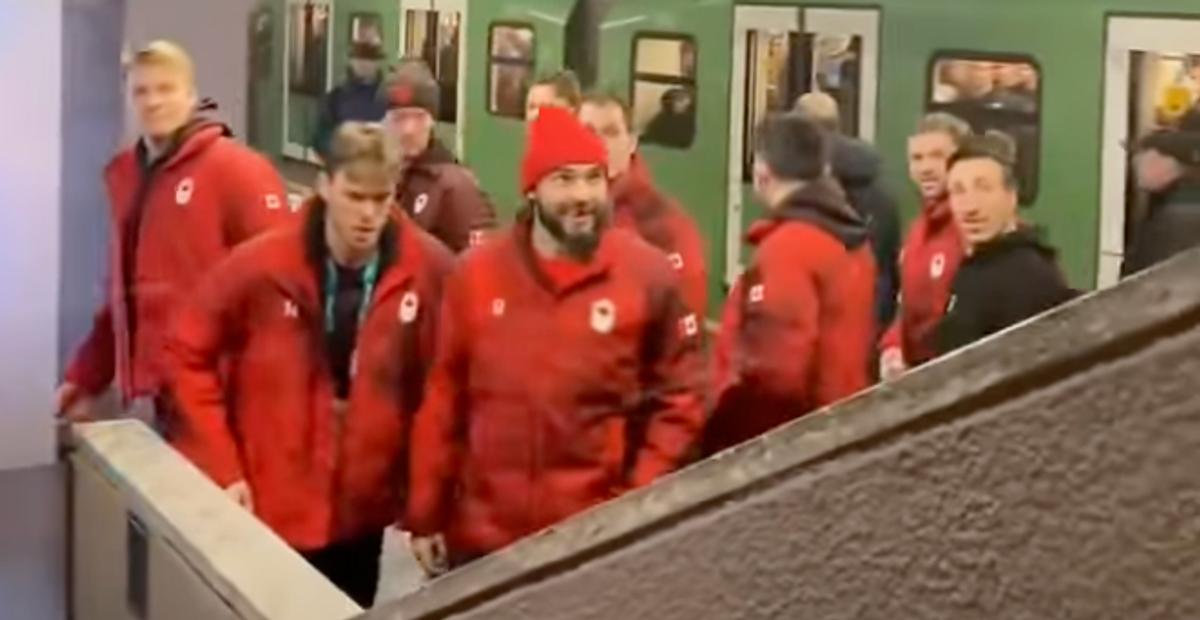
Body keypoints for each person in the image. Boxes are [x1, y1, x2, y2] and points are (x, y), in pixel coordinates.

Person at [405, 106, 706, 573]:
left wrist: (631, 504)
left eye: (593, 178)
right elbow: (445, 397)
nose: (582, 195)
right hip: (484, 543)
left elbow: (680, 401)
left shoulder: (645, 275)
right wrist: (426, 513)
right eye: (564, 180)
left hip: (590, 547)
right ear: (533, 189)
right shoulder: (478, 276)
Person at [167, 123, 454, 607]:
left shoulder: (428, 270)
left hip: (361, 513)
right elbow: (187, 351)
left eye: (381, 199)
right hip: (269, 503)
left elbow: (443, 393)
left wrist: (427, 508)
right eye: (355, 196)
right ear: (325, 184)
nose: (368, 215)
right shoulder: (262, 265)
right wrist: (222, 465)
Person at [57, 41, 290, 424]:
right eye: (141, 91)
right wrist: (86, 378)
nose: (153, 102)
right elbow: (123, 298)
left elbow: (280, 289)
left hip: (218, 400)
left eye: (166, 89)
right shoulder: (125, 176)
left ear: (191, 95)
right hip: (150, 398)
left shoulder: (237, 171)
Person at [703, 113, 875, 455]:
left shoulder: (788, 251)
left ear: (763, 172)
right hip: (836, 431)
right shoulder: (848, 240)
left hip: (787, 453)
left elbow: (775, 376)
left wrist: (722, 443)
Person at [938, 136, 1074, 354]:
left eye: (983, 188)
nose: (969, 207)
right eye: (958, 191)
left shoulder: (1028, 277)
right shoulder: (978, 265)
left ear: (1011, 196)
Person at [578, 92, 708, 317]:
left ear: (631, 143)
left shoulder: (667, 226)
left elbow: (682, 314)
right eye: (587, 131)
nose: (597, 141)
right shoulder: (550, 214)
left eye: (610, 132)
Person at [795, 92, 901, 332]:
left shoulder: (811, 183)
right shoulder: (880, 188)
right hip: (872, 316)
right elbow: (885, 264)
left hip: (829, 322)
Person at [879, 113, 972, 381]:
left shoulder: (971, 228)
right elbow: (906, 306)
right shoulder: (917, 231)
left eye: (937, 156)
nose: (926, 168)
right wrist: (892, 348)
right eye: (917, 158)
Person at [385, 64, 495, 252]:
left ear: (432, 121)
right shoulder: (381, 177)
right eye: (399, 118)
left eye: (419, 117)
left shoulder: (456, 187)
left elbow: (483, 263)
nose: (408, 130)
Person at [1121, 127, 1200, 277]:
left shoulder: (1179, 214)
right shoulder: (1168, 205)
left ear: (1168, 161)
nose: (1136, 163)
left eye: (1143, 155)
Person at [312, 41, 389, 161]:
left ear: (378, 63)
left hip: (378, 168)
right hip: (345, 167)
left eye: (370, 60)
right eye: (359, 59)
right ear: (351, 61)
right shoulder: (335, 98)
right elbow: (321, 138)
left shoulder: (389, 98)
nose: (364, 65)